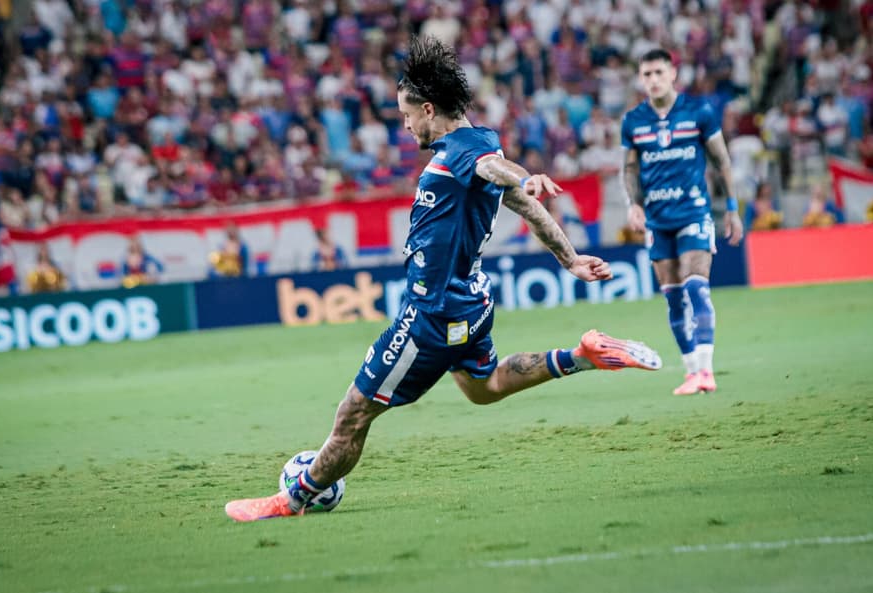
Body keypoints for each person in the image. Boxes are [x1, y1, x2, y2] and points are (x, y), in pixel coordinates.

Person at [224, 36, 662, 523]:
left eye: (407, 115)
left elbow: (497, 172)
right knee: (484, 387)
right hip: (470, 304)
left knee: (353, 414)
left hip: (429, 316)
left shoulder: (462, 153)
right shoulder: (480, 139)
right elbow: (524, 205)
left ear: (429, 109)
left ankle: (291, 500)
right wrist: (570, 258)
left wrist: (525, 176)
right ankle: (582, 356)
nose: (405, 125)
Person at [621, 49, 744, 397]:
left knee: (695, 287)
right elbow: (630, 168)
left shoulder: (698, 112)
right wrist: (634, 205)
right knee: (673, 299)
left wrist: (732, 209)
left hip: (693, 213)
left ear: (673, 73)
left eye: (659, 72)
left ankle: (706, 370)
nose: (653, 80)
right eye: (646, 74)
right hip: (658, 222)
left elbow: (722, 161)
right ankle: (693, 373)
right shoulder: (634, 121)